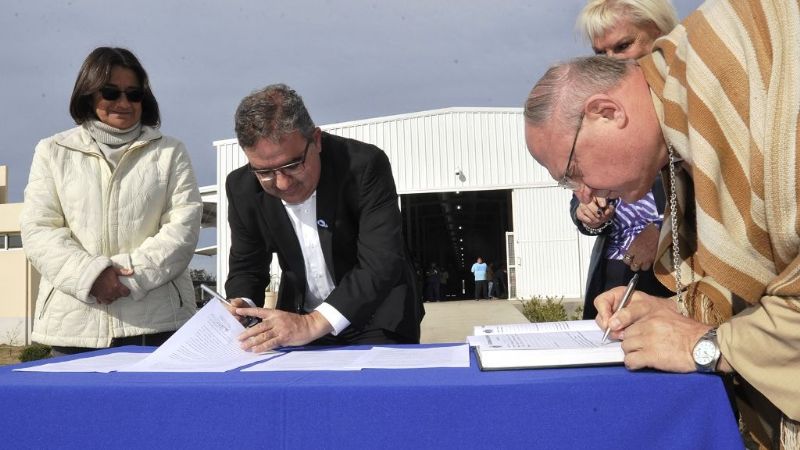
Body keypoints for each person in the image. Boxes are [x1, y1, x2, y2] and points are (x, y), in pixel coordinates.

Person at [522, 0, 799, 445]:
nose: (584, 190)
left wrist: (708, 346)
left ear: (606, 111)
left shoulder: (746, 78)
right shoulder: (681, 121)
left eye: (572, 170)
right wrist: (674, 310)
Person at [20, 47, 202, 355]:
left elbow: (182, 229)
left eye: (134, 94)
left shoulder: (171, 152)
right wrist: (90, 277)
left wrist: (126, 279)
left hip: (157, 327)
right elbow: (39, 230)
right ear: (89, 94)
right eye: (110, 92)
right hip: (73, 329)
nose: (123, 102)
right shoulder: (52, 151)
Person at [224, 84, 423, 350]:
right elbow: (247, 265)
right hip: (297, 318)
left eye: (293, 165)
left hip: (376, 316)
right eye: (265, 172)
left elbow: (380, 262)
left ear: (316, 140)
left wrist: (314, 323)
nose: (281, 183)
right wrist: (244, 305)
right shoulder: (242, 188)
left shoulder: (364, 166)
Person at [573, 0, 678, 319]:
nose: (610, 63)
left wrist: (663, 235)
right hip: (609, 278)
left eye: (623, 46)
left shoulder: (689, 109)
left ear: (661, 36)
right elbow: (583, 192)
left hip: (671, 282)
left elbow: (723, 199)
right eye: (600, 54)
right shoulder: (603, 115)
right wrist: (585, 213)